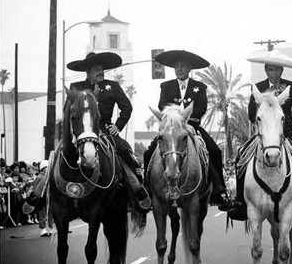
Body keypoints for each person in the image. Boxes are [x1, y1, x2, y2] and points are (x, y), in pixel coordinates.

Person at [24, 52, 151, 216]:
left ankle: (137, 189)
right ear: (88, 70)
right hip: (80, 132)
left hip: (104, 130)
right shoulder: (75, 87)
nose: (101, 71)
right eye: (97, 69)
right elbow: (66, 111)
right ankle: (39, 192)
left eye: (102, 69)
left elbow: (127, 108)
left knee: (123, 150)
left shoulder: (112, 86)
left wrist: (118, 126)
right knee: (57, 153)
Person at [228, 49, 292, 220]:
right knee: (240, 156)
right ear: (266, 70)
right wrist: (261, 116)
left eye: (277, 70)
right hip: (264, 134)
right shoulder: (257, 88)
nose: (274, 73)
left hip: (287, 132)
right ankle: (239, 201)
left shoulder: (291, 87)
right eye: (271, 69)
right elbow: (251, 113)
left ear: (282, 71)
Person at [142, 50, 230, 211]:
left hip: (191, 126)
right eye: (177, 67)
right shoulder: (166, 86)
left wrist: (188, 118)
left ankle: (220, 190)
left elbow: (202, 106)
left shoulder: (199, 87)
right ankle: (146, 189)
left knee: (214, 151)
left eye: (183, 66)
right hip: (171, 127)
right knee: (148, 153)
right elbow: (162, 105)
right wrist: (174, 117)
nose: (179, 69)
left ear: (189, 68)